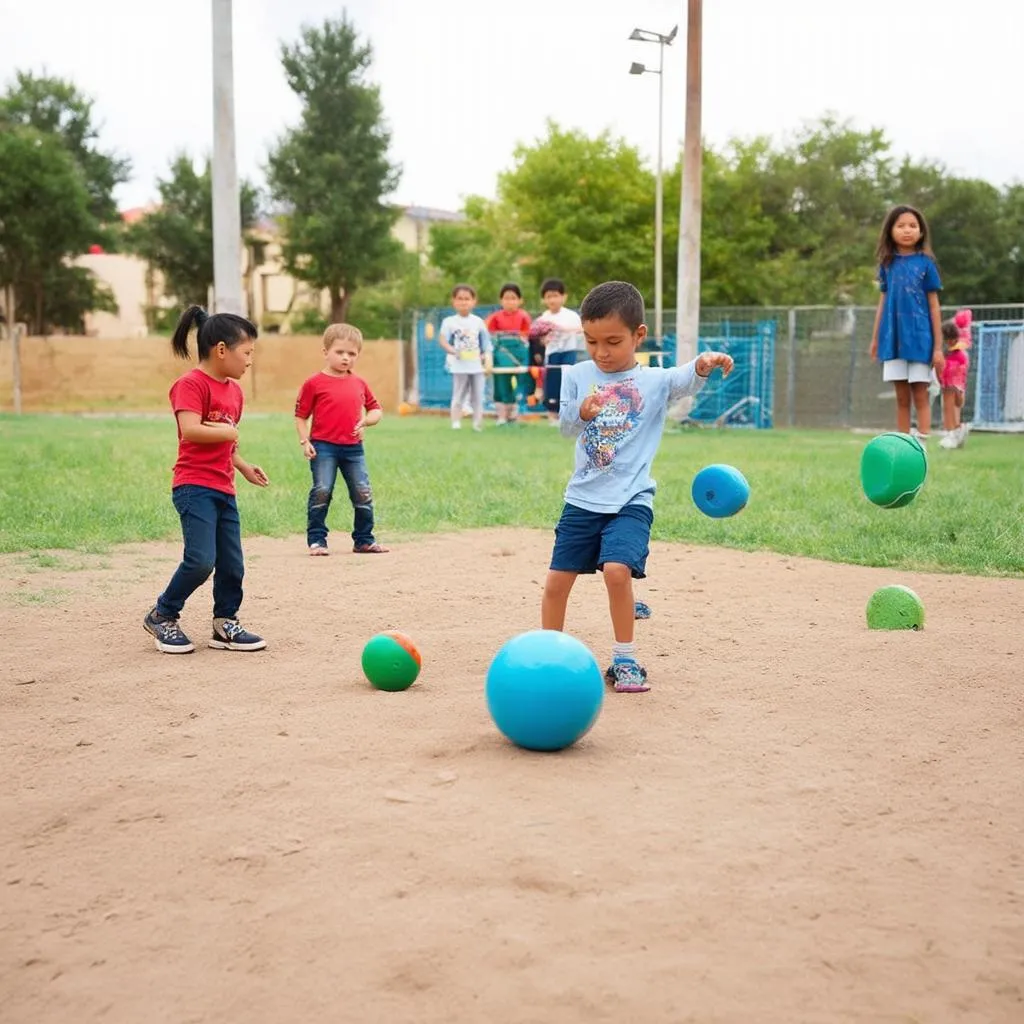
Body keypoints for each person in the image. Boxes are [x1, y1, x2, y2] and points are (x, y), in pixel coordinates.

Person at [540, 281, 734, 693]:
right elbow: (565, 428)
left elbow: (685, 378)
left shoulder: (653, 381)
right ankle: (548, 656)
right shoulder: (576, 375)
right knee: (557, 582)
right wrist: (581, 411)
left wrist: (704, 362)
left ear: (638, 335)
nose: (601, 351)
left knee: (616, 571)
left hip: (631, 499)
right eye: (591, 341)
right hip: (582, 500)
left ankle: (624, 659)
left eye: (613, 341)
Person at [143, 305, 268, 655]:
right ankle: (162, 614)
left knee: (232, 562)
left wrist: (241, 464)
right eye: (247, 352)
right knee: (201, 560)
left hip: (223, 486)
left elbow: (226, 441)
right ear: (222, 350)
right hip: (193, 486)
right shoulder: (190, 384)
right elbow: (191, 430)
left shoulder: (235, 392)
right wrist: (228, 430)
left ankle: (224, 623)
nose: (250, 361)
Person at [295, 323, 388, 555]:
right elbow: (300, 416)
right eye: (340, 352)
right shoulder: (313, 383)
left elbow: (376, 410)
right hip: (323, 447)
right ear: (325, 352)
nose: (346, 358)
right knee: (322, 490)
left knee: (362, 492)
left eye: (352, 354)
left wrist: (367, 420)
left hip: (353, 449)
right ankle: (317, 540)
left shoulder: (359, 383)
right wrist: (305, 441)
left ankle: (364, 539)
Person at [869, 205, 945, 443]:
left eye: (913, 226)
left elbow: (934, 307)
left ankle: (921, 445)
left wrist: (938, 348)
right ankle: (904, 446)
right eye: (901, 225)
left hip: (921, 341)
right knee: (901, 397)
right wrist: (875, 340)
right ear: (890, 230)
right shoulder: (887, 265)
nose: (907, 230)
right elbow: (882, 304)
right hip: (893, 341)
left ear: (921, 232)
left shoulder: (926, 265)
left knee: (920, 395)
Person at [438, 284, 492, 431]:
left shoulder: (478, 321)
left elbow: (486, 342)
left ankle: (477, 424)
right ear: (454, 301)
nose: (463, 302)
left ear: (474, 301)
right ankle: (456, 423)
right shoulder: (449, 321)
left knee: (478, 396)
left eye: (467, 299)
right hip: (459, 364)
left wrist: (487, 357)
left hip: (476, 365)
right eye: (460, 299)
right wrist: (453, 351)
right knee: (458, 395)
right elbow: (443, 340)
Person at [534, 278, 584, 424]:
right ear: (544, 299)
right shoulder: (543, 318)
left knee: (568, 381)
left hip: (569, 351)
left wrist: (563, 330)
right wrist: (544, 340)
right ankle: (552, 414)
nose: (552, 300)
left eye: (555, 295)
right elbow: (538, 339)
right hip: (552, 354)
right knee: (552, 382)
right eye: (549, 296)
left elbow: (582, 330)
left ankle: (568, 414)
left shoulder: (571, 316)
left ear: (564, 296)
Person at [485, 283, 532, 425]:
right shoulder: (494, 317)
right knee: (501, 383)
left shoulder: (524, 317)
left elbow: (527, 336)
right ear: (501, 300)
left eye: (513, 298)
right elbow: (489, 336)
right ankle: (501, 417)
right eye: (506, 298)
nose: (510, 301)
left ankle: (516, 415)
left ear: (520, 300)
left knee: (520, 383)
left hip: (520, 354)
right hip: (501, 354)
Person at [939, 309, 972, 449]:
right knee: (953, 407)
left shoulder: (958, 354)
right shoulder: (956, 352)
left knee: (949, 406)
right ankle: (957, 431)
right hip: (953, 383)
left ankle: (951, 433)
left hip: (954, 384)